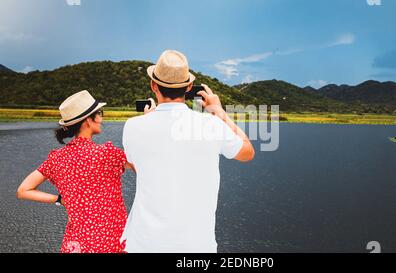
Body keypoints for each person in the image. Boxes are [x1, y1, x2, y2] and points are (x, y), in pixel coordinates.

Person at [121, 50, 255, 253]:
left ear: (153, 85)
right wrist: (218, 112)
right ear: (189, 87)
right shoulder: (210, 124)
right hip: (196, 247)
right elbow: (247, 151)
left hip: (144, 243)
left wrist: (149, 117)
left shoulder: (132, 126)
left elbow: (141, 167)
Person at [16, 90, 137, 253]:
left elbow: (23, 190)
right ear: (88, 120)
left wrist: (60, 199)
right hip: (111, 243)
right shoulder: (108, 154)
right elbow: (145, 166)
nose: (101, 119)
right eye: (99, 114)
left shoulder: (56, 159)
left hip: (76, 245)